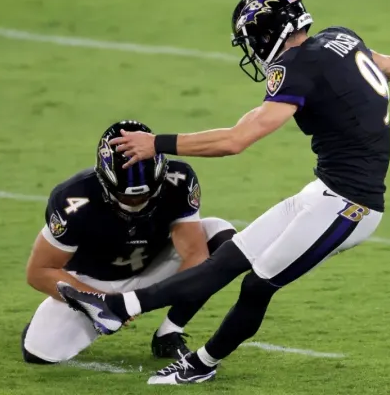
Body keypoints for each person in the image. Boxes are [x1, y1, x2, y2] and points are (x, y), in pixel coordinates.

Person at [56, 0, 390, 384]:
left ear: (266, 33)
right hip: (324, 192)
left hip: (350, 206)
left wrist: (156, 144)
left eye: (251, 38)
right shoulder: (341, 39)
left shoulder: (296, 67)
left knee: (258, 284)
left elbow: (237, 140)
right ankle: (115, 307)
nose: (251, 48)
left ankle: (201, 364)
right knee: (229, 260)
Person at [21, 120, 236, 364]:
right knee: (39, 353)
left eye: (145, 194)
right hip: (92, 282)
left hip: (154, 267)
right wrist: (102, 303)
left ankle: (169, 332)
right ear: (104, 181)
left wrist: (144, 301)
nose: (136, 203)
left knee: (222, 237)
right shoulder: (73, 199)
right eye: (125, 196)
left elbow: (195, 255)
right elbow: (38, 272)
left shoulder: (179, 180)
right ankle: (56, 322)